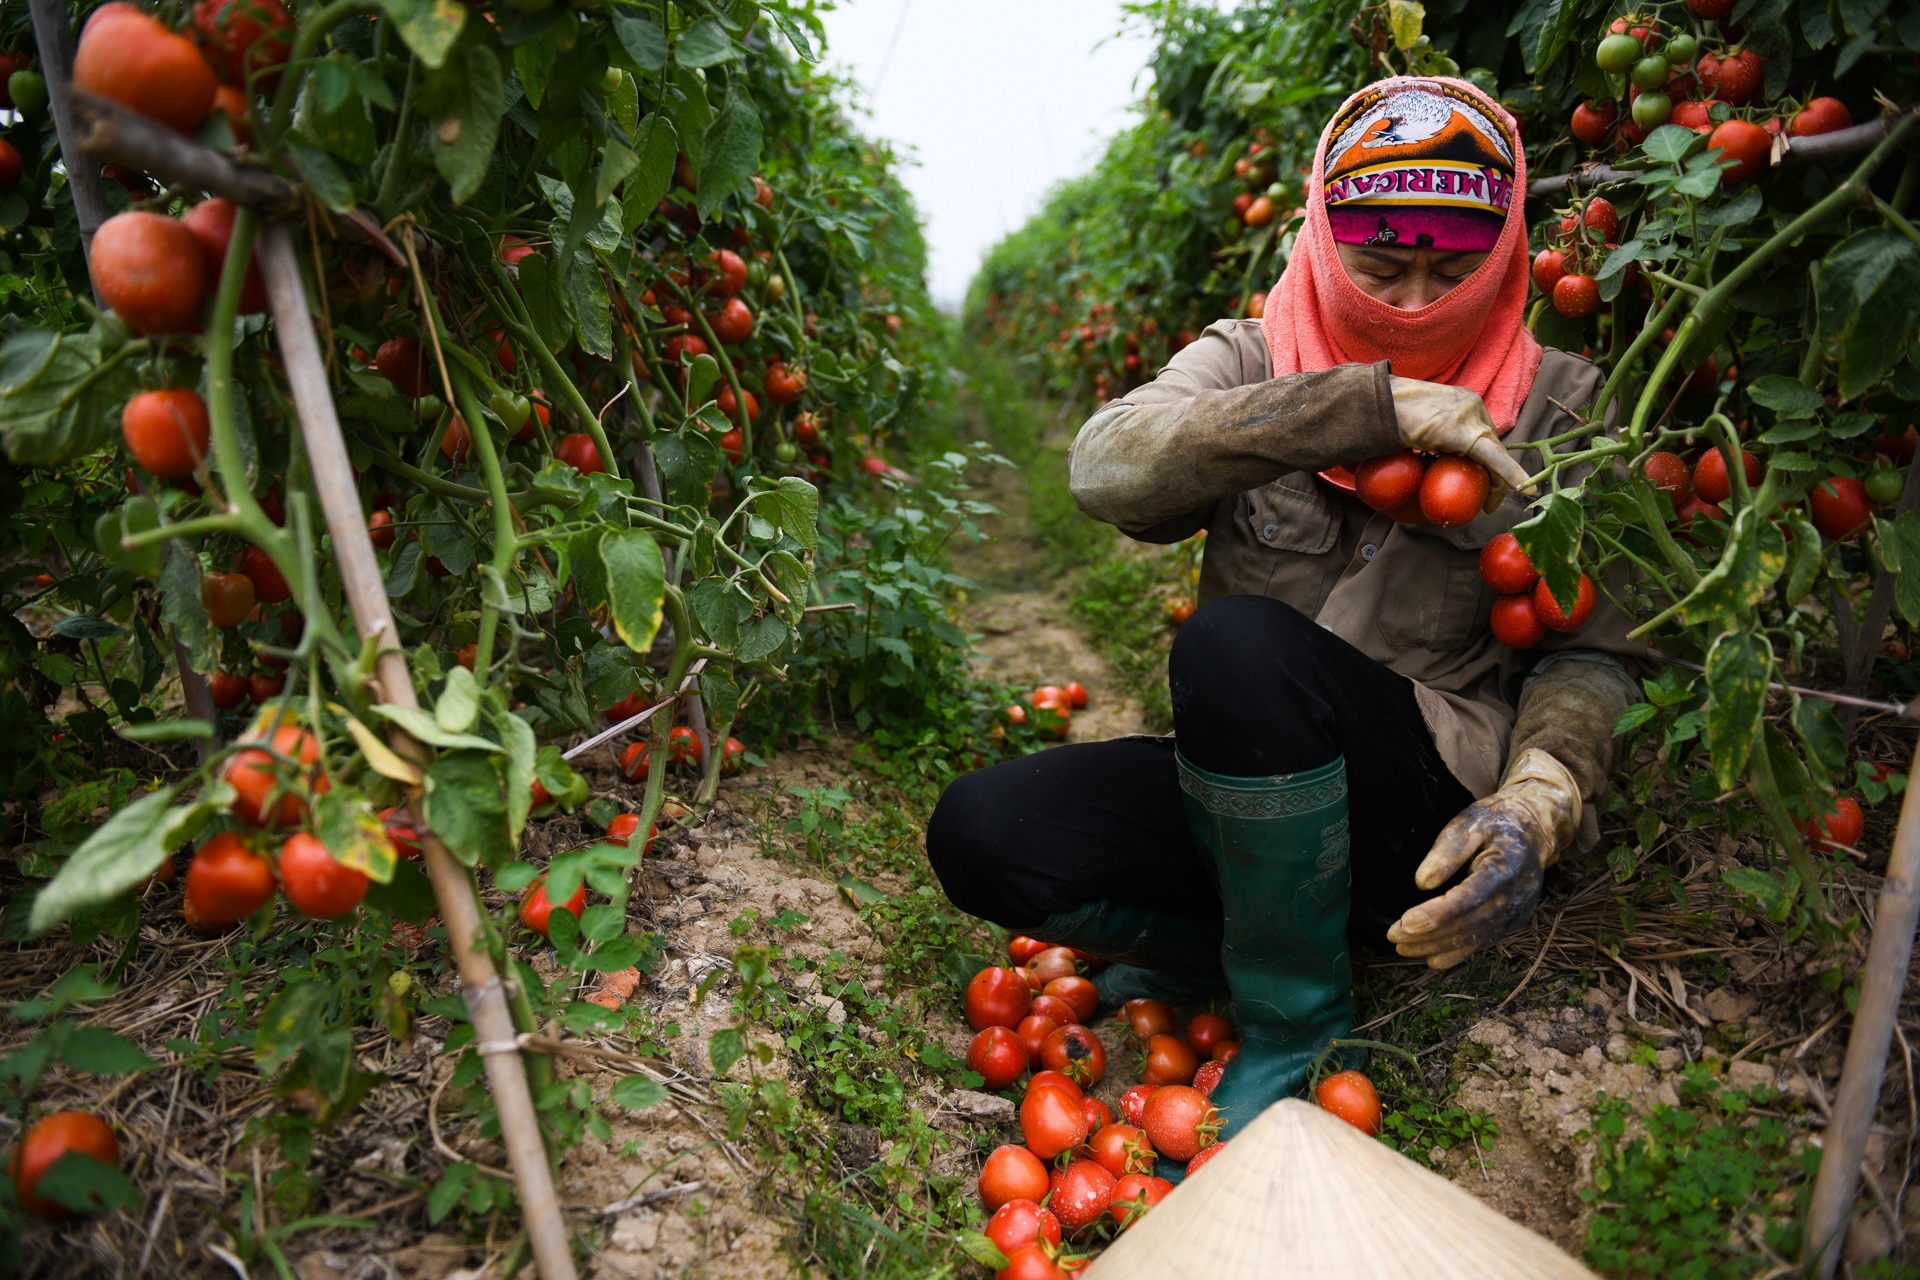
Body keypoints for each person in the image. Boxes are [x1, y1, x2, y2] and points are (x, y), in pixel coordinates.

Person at [927, 77, 1645, 1155]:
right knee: (982, 836)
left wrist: (1543, 791)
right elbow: (1105, 466)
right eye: (1379, 265)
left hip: (1416, 821)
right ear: (1321, 233)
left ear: (1503, 260)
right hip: (1253, 806)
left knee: (1239, 648)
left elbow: (1597, 655)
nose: (1411, 302)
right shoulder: (1251, 358)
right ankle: (1244, 943)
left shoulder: (1569, 413)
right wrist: (1360, 404)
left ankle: (1296, 1023)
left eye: (1451, 271)